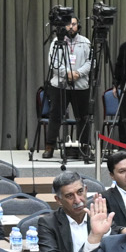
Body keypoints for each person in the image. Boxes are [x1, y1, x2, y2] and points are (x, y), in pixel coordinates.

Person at [43, 14, 94, 158]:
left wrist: (78, 73)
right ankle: (49, 147)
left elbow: (91, 62)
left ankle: (85, 147)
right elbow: (53, 63)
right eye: (68, 24)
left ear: (78, 26)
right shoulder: (56, 42)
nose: (71, 27)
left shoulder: (85, 42)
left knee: (83, 118)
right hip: (60, 86)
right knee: (55, 116)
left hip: (80, 86)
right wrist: (67, 73)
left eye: (74, 24)